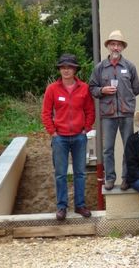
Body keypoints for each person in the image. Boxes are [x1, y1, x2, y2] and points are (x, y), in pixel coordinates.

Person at [41, 54, 95, 221]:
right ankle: (62, 207)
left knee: (80, 173)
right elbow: (46, 113)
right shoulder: (52, 89)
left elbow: (90, 110)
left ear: (75, 70)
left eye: (69, 67)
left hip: (79, 136)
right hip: (60, 138)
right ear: (60, 69)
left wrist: (86, 128)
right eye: (63, 67)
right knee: (60, 174)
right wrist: (53, 132)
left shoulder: (84, 88)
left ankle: (80, 205)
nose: (66, 70)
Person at [89, 30, 139, 191]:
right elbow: (92, 88)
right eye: (113, 44)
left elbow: (136, 89)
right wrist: (102, 90)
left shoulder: (129, 66)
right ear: (108, 46)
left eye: (118, 45)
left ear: (122, 47)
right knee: (107, 149)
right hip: (108, 114)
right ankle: (110, 178)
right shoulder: (100, 68)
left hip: (126, 113)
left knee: (128, 148)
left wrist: (126, 99)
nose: (116, 47)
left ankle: (127, 178)